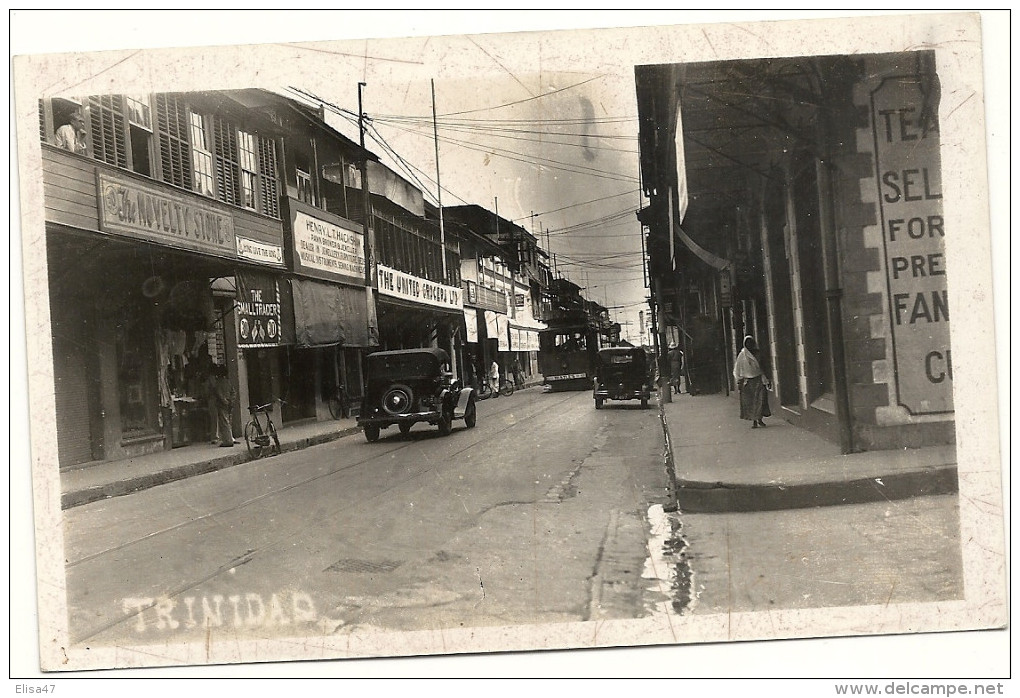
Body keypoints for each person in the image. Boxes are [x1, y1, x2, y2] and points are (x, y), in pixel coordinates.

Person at [733, 335, 772, 428]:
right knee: (752, 402)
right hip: (748, 382)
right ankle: (754, 420)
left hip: (759, 379)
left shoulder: (758, 353)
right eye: (747, 343)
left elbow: (764, 366)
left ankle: (759, 419)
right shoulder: (742, 355)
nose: (749, 345)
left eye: (751, 343)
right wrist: (739, 381)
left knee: (760, 400)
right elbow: (737, 368)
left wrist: (768, 379)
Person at [212, 364, 237, 447]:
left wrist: (224, 401)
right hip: (229, 404)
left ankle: (228, 440)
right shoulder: (228, 382)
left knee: (224, 422)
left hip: (222, 404)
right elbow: (233, 392)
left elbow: (219, 394)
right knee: (228, 421)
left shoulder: (218, 383)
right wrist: (231, 401)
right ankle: (229, 439)